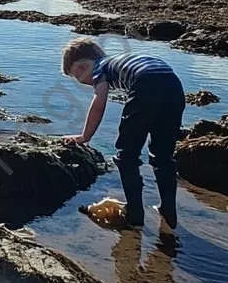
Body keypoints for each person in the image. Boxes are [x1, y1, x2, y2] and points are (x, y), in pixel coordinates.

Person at [60, 38, 184, 229]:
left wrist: (85, 137)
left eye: (77, 78)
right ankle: (168, 210)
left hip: (145, 83)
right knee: (162, 155)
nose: (84, 84)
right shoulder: (118, 61)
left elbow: (98, 105)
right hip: (174, 86)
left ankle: (134, 213)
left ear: (81, 66)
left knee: (127, 155)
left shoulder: (100, 69)